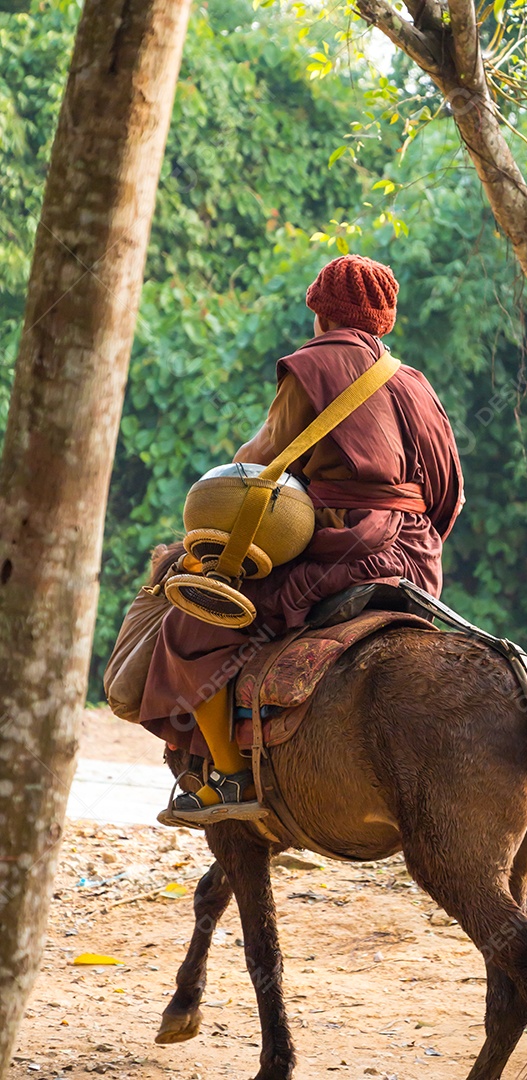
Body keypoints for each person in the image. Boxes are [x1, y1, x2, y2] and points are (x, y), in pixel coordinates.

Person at [140, 254, 464, 822]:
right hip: (417, 559)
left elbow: (257, 463)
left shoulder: (314, 365)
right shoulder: (414, 384)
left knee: (195, 625)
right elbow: (450, 496)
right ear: (382, 321)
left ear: (321, 313)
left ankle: (230, 779)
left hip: (343, 552)